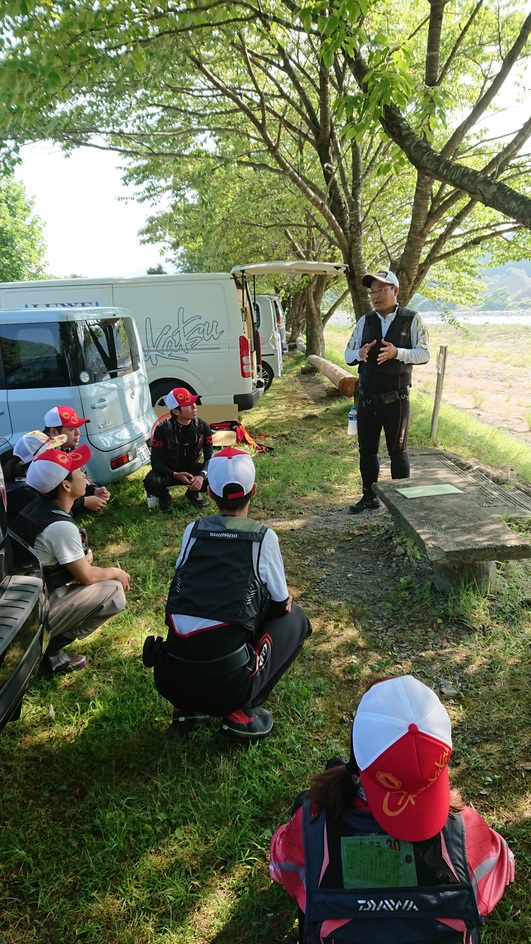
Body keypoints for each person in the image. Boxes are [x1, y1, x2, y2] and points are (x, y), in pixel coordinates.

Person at [270, 675, 514, 944]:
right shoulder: (467, 832)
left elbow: (282, 869)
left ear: (358, 756)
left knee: (304, 800)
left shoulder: (311, 825)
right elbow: (502, 869)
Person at [144, 447, 312, 742]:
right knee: (294, 617)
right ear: (254, 491)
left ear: (209, 493)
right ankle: (241, 712)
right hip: (228, 684)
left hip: (171, 676)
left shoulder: (192, 530)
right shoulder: (263, 538)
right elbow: (279, 603)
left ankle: (187, 707)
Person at [10, 446, 130, 675]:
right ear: (65, 485)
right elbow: (87, 576)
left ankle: (46, 647)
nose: (84, 476)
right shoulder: (60, 527)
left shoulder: (37, 507)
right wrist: (115, 571)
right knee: (113, 592)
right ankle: (48, 651)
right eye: (78, 472)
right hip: (32, 615)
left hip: (25, 602)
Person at [345, 270, 430, 514]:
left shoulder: (411, 319)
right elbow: (348, 353)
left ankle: (403, 506)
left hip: (397, 400)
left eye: (382, 290)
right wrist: (358, 354)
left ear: (395, 290)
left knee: (398, 452)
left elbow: (423, 353)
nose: (376, 296)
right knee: (367, 451)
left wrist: (398, 353)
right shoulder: (365, 321)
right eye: (372, 291)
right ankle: (369, 496)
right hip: (367, 398)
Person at [143, 387, 213, 513]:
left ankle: (193, 492)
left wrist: (201, 476)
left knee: (216, 475)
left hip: (192, 469)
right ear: (175, 411)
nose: (194, 406)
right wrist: (174, 474)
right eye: (188, 404)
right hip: (169, 471)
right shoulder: (162, 429)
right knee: (151, 481)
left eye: (193, 402)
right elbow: (156, 462)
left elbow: (210, 458)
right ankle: (165, 497)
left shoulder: (203, 426)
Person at [44, 405, 111, 515]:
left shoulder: (66, 446)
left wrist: (94, 490)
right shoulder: (46, 454)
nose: (77, 433)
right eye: (71, 429)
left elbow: (82, 476)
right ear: (54, 432)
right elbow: (48, 497)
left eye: (77, 427)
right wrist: (84, 502)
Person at [4, 430, 67, 520]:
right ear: (37, 460)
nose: (57, 454)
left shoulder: (23, 484)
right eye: (51, 452)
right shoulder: (27, 494)